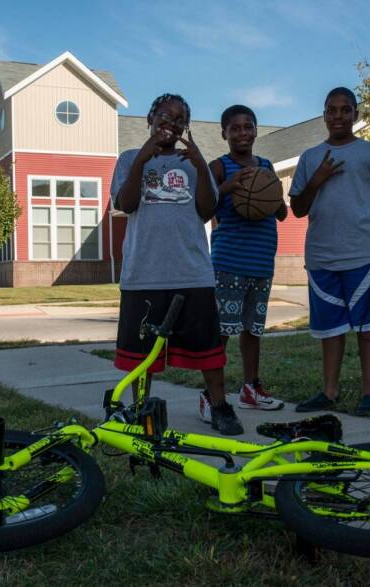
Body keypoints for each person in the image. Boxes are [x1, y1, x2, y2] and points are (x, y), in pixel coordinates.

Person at [110, 93, 244, 436]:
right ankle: (142, 408)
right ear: (151, 118)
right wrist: (142, 158)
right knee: (142, 354)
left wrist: (200, 164)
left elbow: (206, 210)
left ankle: (219, 406)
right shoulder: (128, 158)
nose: (170, 123)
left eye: (178, 118)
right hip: (144, 274)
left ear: (186, 126)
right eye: (164, 116)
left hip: (192, 272)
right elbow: (126, 204)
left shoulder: (193, 163)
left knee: (209, 350)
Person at [288, 87, 370, 417]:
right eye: (331, 110)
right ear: (323, 115)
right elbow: (298, 208)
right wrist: (317, 178)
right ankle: (329, 391)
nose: (338, 116)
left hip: (364, 255)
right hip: (322, 257)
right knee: (330, 329)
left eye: (345, 110)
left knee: (368, 325)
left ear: (355, 115)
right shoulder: (310, 157)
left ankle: (369, 393)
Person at [200, 105, 288, 423]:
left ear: (255, 131)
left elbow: (281, 212)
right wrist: (231, 188)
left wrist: (269, 194)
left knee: (253, 329)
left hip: (261, 260)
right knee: (222, 331)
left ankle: (251, 388)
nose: (242, 133)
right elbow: (204, 202)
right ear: (224, 133)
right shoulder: (219, 166)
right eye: (234, 128)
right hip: (228, 261)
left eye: (247, 127)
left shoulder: (266, 166)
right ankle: (211, 395)